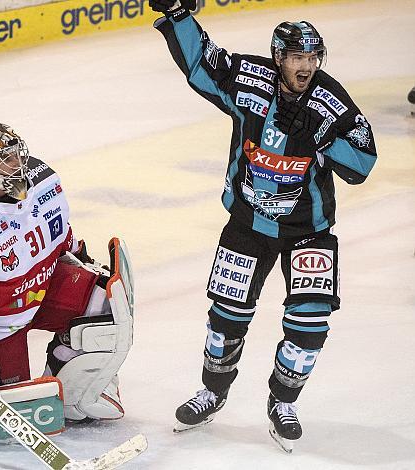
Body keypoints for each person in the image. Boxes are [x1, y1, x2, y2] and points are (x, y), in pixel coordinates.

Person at [149, 0, 378, 451]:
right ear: (279, 57)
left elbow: (364, 160)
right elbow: (202, 62)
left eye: (313, 58)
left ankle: (284, 401)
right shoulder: (249, 79)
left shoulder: (330, 100)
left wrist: (322, 138)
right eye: (298, 57)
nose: (307, 66)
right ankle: (213, 392)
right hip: (248, 223)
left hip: (308, 228)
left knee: (310, 324)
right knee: (226, 318)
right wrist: (179, 16)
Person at [0, 121, 132, 423]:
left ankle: (68, 389)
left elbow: (63, 238)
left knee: (107, 301)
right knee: (15, 409)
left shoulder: (43, 179)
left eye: (17, 154)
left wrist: (83, 262)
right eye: (5, 158)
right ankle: (14, 386)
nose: (17, 163)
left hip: (42, 294)